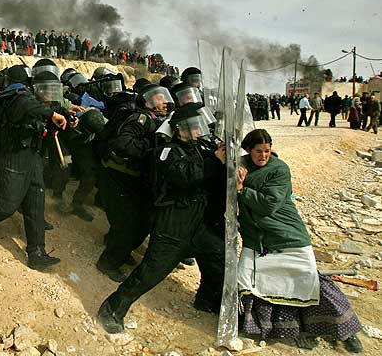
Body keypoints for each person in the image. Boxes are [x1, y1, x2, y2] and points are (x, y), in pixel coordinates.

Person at [97, 104, 227, 334]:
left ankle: (207, 300)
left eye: (200, 127)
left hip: (197, 222)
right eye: (194, 128)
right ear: (180, 130)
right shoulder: (167, 151)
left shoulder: (199, 149)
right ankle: (112, 309)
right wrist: (216, 161)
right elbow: (188, 176)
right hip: (173, 224)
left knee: (217, 255)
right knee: (150, 272)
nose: (199, 132)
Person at [236, 129, 363, 353]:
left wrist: (242, 189)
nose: (263, 156)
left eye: (267, 151)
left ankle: (347, 330)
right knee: (248, 282)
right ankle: (276, 328)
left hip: (288, 236)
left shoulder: (279, 170)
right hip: (258, 241)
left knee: (308, 281)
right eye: (258, 152)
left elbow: (268, 204)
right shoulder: (241, 165)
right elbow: (228, 169)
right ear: (249, 150)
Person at [0, 68, 68, 271]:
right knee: (7, 205)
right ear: (36, 88)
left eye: (53, 92)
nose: (50, 97)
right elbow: (27, 107)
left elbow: (44, 123)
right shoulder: (19, 97)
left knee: (36, 205)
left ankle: (37, 253)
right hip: (13, 158)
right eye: (47, 91)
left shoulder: (41, 104)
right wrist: (52, 114)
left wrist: (64, 119)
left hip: (33, 158)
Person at [96, 85, 174, 282]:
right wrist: (151, 148)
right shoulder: (141, 119)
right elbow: (122, 143)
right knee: (128, 223)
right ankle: (108, 262)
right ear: (147, 102)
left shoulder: (160, 121)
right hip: (118, 175)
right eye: (159, 98)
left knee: (143, 221)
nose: (164, 101)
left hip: (134, 177)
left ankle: (119, 247)